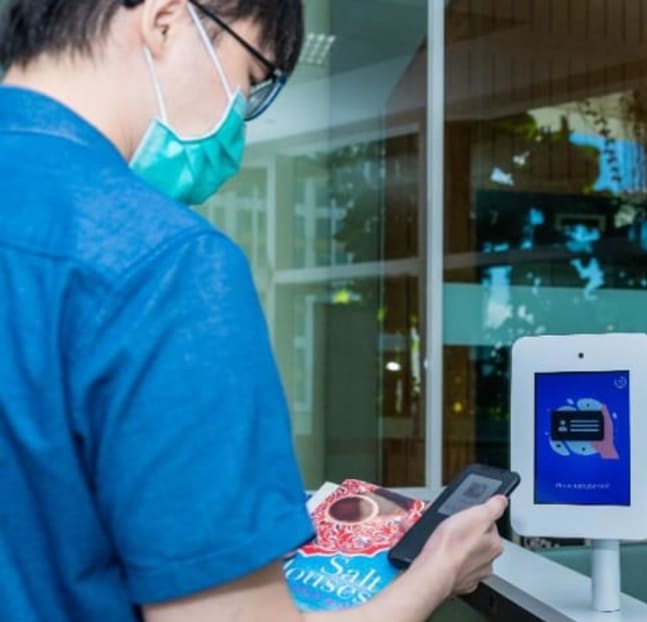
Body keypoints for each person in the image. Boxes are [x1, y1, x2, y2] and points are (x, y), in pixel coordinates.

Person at [0, 1, 507, 621]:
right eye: (248, 81)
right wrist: (438, 572)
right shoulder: (162, 261)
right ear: (165, 20)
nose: (236, 124)